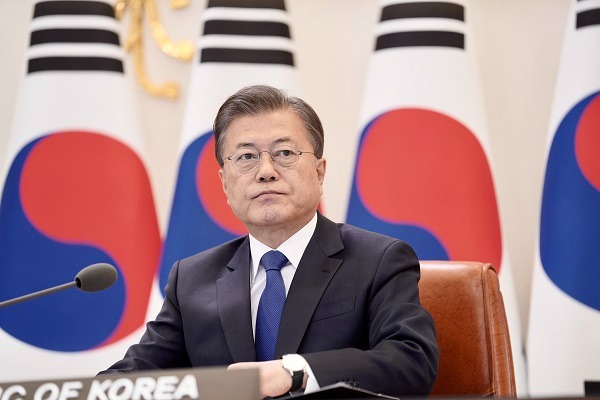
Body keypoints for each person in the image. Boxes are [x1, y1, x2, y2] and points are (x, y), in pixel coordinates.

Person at [100, 85, 439, 398]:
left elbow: (412, 360)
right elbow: (134, 378)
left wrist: (294, 373)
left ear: (319, 172)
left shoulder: (378, 260)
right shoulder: (191, 279)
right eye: (246, 157)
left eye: (284, 153)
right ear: (225, 183)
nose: (266, 171)